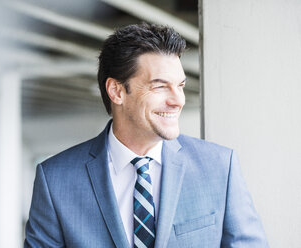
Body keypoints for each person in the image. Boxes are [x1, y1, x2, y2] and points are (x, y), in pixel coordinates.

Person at [24, 23, 268, 248]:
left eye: (180, 85)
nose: (177, 100)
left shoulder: (219, 168)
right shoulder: (55, 180)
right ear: (117, 91)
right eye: (160, 86)